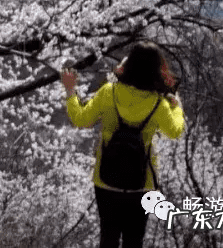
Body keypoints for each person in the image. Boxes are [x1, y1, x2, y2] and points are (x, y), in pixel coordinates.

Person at [60, 41, 185, 248]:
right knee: (134, 241)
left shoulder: (109, 92)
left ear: (129, 64)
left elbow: (80, 119)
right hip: (142, 183)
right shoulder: (159, 104)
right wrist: (176, 105)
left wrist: (70, 91)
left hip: (106, 180)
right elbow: (175, 131)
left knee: (108, 239)